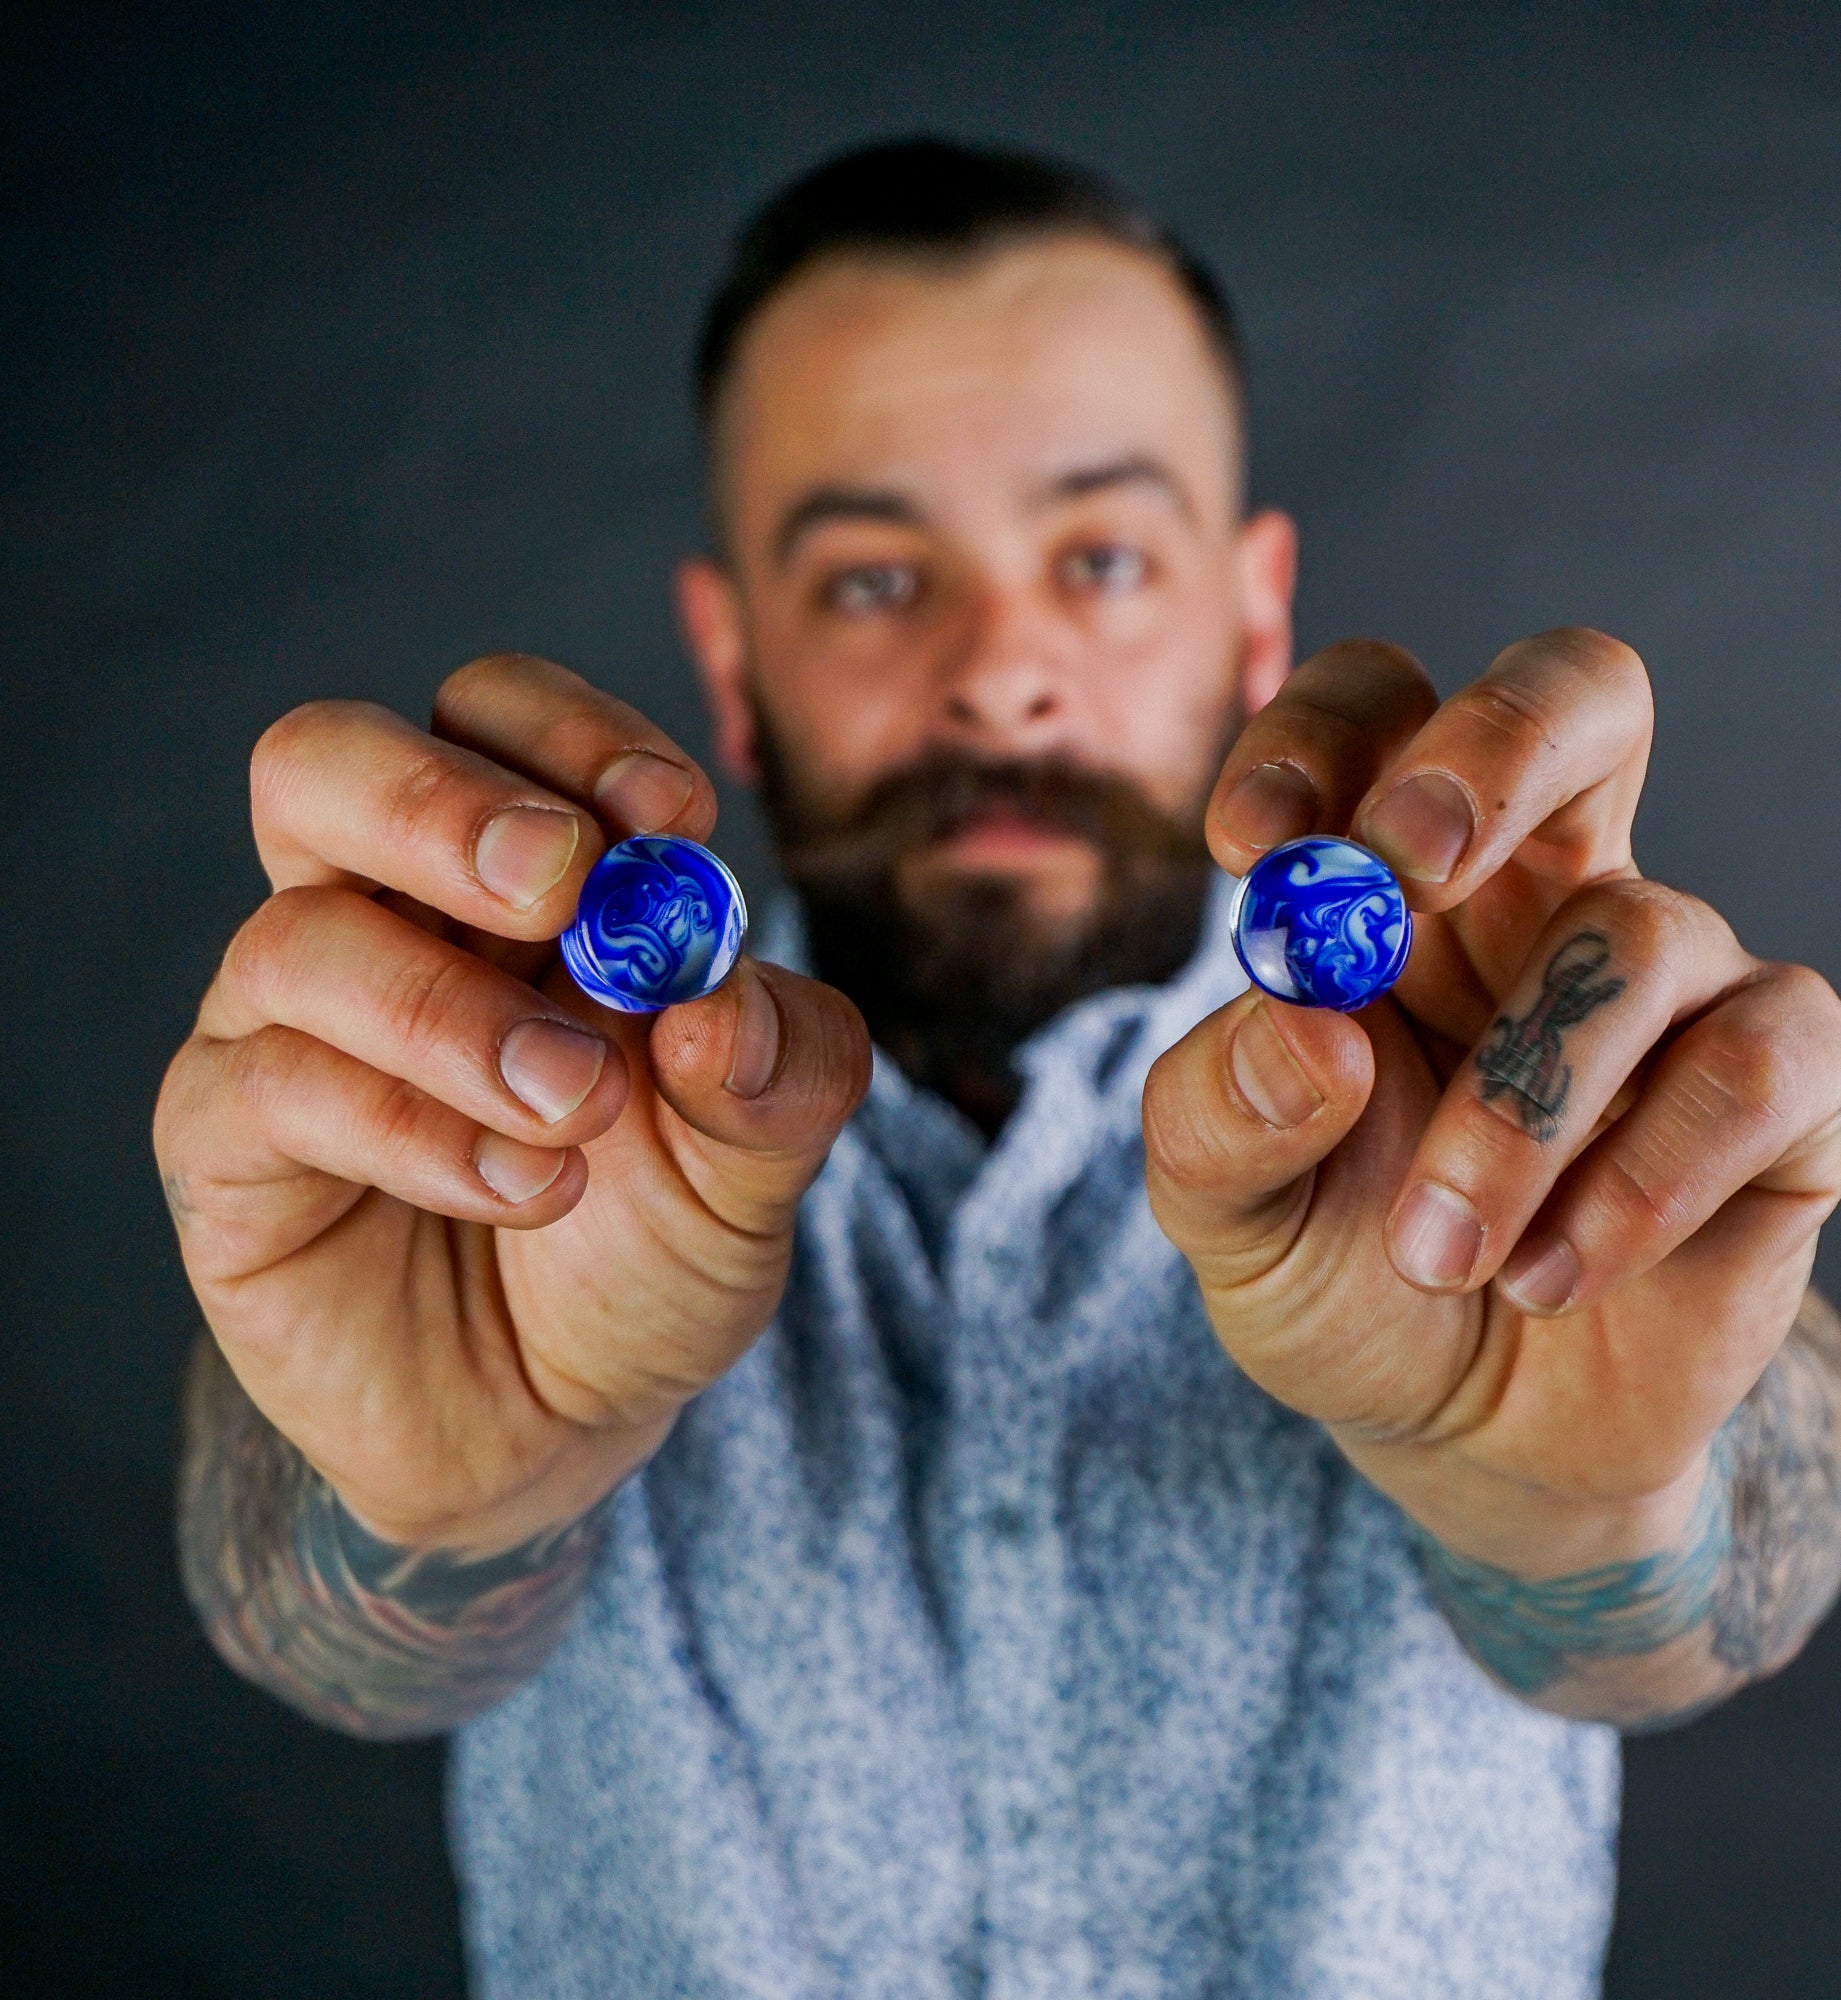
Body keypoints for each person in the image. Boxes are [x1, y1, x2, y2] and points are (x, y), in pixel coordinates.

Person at [155, 139, 1841, 1998]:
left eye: (1100, 559)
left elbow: (1715, 1598)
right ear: (732, 654)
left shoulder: (1492, 1112)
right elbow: (318, 1633)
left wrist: (1578, 1512)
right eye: (876, 579)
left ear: (1251, 615)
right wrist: (454, 1505)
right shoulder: (512, 1137)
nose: (1002, 674)